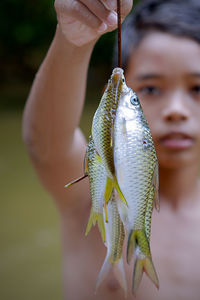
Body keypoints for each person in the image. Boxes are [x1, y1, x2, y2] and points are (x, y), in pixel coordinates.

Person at [22, 0, 200, 299]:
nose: (175, 111)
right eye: (151, 89)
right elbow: (46, 146)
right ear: (112, 100)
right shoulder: (85, 197)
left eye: (197, 89)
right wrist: (72, 42)